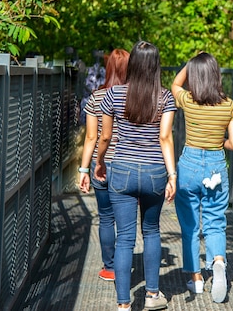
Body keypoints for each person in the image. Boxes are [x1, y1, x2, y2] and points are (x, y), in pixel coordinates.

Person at [96, 41, 177, 311]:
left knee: (125, 238)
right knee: (152, 231)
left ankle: (123, 305)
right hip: (154, 171)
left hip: (122, 170)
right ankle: (152, 295)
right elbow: (165, 137)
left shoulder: (114, 95)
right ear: (156, 65)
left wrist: (98, 162)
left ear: (133, 64)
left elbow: (105, 135)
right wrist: (172, 175)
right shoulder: (165, 97)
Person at [171, 52, 233, 303]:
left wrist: (189, 65)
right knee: (215, 220)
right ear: (216, 75)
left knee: (190, 225)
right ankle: (219, 262)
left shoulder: (189, 100)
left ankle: (196, 278)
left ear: (195, 75)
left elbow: (174, 84)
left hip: (189, 165)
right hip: (215, 167)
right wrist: (218, 141)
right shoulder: (230, 106)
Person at [78, 49, 130, 282]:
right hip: (129, 163)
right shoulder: (136, 96)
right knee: (126, 219)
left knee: (106, 217)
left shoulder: (96, 97)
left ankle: (110, 267)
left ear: (107, 69)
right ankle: (124, 264)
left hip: (103, 163)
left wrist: (84, 169)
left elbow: (91, 137)